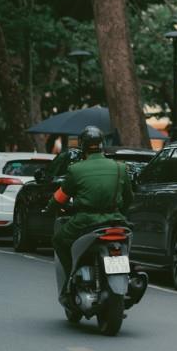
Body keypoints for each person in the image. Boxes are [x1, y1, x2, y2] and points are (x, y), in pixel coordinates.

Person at [44, 125, 133, 295]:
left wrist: (49, 209)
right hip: (115, 220)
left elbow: (59, 198)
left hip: (85, 221)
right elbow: (129, 198)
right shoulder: (120, 168)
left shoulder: (75, 170)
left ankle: (71, 280)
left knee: (59, 240)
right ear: (102, 144)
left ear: (82, 146)